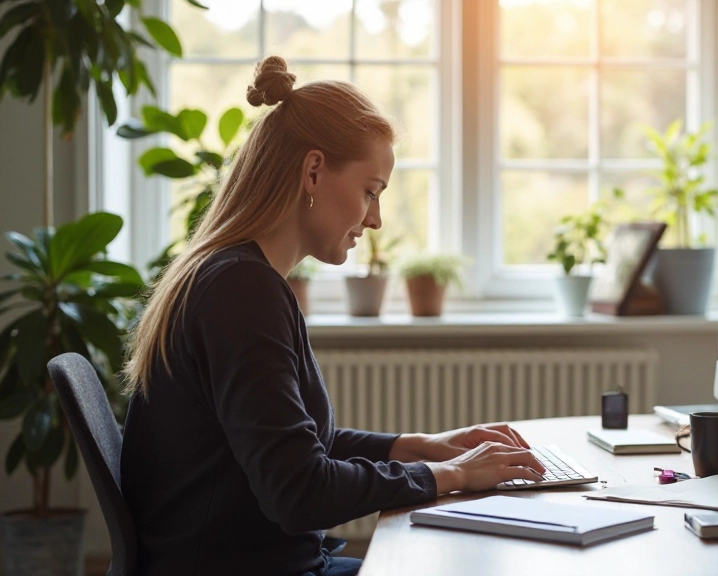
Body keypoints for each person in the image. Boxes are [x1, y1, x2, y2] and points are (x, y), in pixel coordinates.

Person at [121, 56, 546, 576]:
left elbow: (289, 446)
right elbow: (298, 491)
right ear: (314, 170)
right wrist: (448, 475)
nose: (376, 219)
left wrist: (420, 448)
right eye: (370, 192)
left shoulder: (238, 277)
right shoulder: (241, 290)